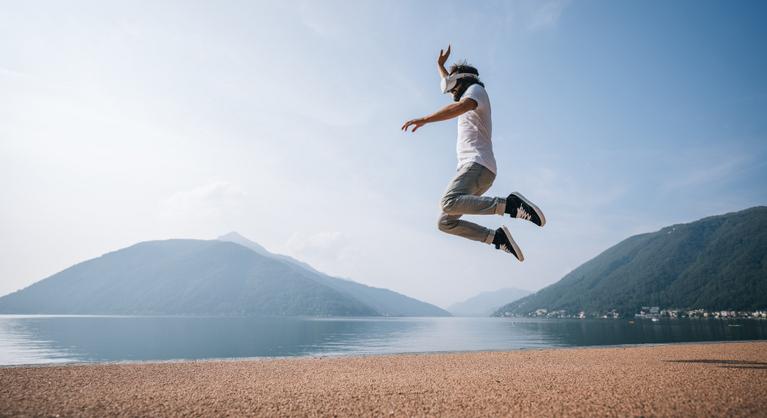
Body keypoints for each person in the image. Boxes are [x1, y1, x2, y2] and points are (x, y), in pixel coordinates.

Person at [401, 45, 545, 261]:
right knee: (445, 222)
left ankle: (511, 205)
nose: (451, 92)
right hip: (476, 171)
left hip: (477, 165)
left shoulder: (476, 91)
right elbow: (450, 88)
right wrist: (440, 66)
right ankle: (496, 238)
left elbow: (457, 108)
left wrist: (424, 119)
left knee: (448, 202)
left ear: (462, 80)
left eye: (452, 87)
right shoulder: (468, 91)